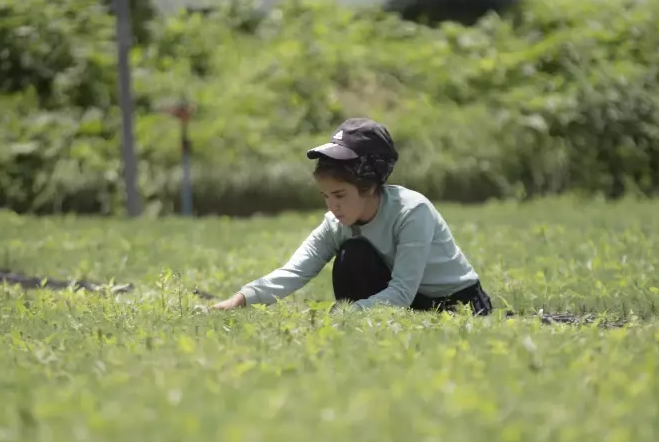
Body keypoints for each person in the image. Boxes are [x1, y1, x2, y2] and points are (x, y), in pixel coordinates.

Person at [211, 117, 493, 315]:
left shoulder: (412, 212)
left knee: (356, 256)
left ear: (368, 186)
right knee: (352, 254)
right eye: (326, 196)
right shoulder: (336, 224)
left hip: (457, 302)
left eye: (340, 195)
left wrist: (343, 313)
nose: (332, 206)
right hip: (409, 304)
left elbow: (402, 293)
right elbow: (293, 271)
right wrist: (240, 299)